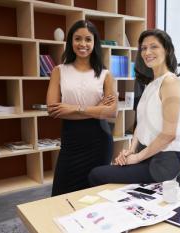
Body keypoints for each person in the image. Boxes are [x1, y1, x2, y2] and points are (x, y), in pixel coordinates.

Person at [88, 29, 180, 185]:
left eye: (154, 47)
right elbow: (141, 124)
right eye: (144, 48)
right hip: (147, 154)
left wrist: (137, 158)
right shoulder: (151, 83)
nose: (147, 52)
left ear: (166, 50)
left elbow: (169, 134)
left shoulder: (170, 82)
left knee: (97, 175)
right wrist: (131, 150)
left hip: (165, 161)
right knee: (103, 173)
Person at [47, 20, 117, 196]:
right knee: (60, 195)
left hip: (99, 141)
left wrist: (72, 109)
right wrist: (96, 109)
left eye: (88, 39)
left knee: (95, 194)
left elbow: (111, 112)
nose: (83, 44)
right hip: (71, 141)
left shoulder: (105, 74)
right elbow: (53, 109)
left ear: (94, 43)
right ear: (71, 41)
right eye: (78, 39)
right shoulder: (59, 70)